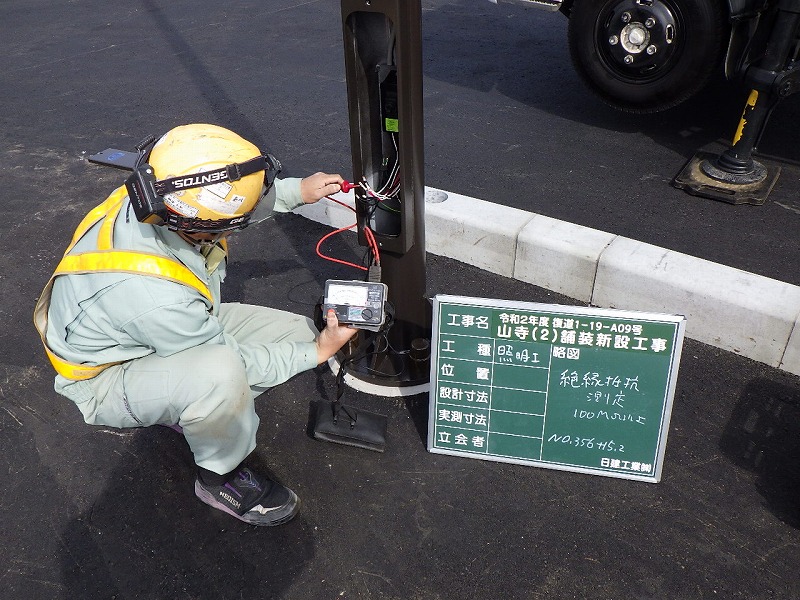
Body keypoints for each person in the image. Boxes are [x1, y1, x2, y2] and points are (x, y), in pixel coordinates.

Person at [34, 123, 357, 526]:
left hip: (149, 332)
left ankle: (185, 401)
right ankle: (217, 477)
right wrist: (318, 352)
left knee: (294, 336)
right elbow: (233, 363)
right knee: (223, 375)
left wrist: (295, 193)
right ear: (198, 225)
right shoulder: (153, 293)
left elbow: (217, 204)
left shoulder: (160, 194)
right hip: (105, 377)